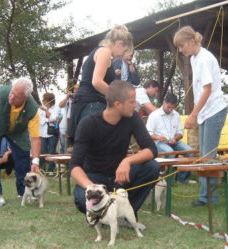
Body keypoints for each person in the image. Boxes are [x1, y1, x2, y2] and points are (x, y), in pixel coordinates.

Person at [70, 80, 160, 227]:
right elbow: (74, 166)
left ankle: (126, 215)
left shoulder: (132, 118)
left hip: (120, 176)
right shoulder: (88, 124)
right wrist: (91, 189)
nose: (136, 105)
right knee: (82, 199)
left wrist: (127, 161)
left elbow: (151, 149)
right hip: (94, 176)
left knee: (152, 167)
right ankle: (99, 215)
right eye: (131, 102)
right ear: (118, 104)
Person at [173, 26, 227, 206]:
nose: (181, 50)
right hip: (206, 112)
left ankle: (209, 198)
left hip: (214, 110)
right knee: (205, 155)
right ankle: (207, 197)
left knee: (208, 157)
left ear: (192, 41)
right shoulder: (196, 58)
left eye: (182, 46)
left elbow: (207, 89)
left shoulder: (203, 58)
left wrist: (192, 115)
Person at [0, 78, 41, 207]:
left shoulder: (33, 109)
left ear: (25, 98)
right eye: (11, 92)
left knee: (23, 159)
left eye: (16, 96)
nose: (11, 97)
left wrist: (35, 161)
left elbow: (35, 138)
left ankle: (24, 193)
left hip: (17, 131)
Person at [69, 25, 133, 141]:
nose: (121, 55)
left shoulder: (98, 51)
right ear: (119, 44)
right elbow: (97, 82)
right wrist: (119, 98)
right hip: (92, 104)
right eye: (124, 51)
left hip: (86, 102)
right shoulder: (105, 52)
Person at [146, 92, 194, 183]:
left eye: (173, 107)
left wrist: (175, 139)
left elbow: (180, 132)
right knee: (170, 153)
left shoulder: (176, 114)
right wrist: (158, 137)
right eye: (169, 107)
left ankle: (182, 179)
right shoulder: (154, 115)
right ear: (164, 102)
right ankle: (168, 180)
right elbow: (148, 133)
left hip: (174, 141)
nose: (170, 109)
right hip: (158, 143)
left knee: (190, 152)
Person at [39, 92, 60, 175]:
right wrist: (49, 120)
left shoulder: (56, 108)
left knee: (52, 151)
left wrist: (46, 111)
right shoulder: (40, 108)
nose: (43, 101)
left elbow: (54, 118)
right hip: (42, 133)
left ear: (49, 100)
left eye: (44, 99)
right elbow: (40, 120)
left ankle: (51, 170)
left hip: (52, 133)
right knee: (42, 151)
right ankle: (42, 169)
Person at [58, 83, 80, 153]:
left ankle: (68, 163)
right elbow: (60, 105)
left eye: (77, 89)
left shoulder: (81, 100)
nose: (76, 90)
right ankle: (62, 163)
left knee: (69, 149)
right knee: (62, 147)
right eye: (75, 89)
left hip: (73, 128)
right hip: (63, 127)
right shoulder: (68, 100)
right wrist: (67, 97)